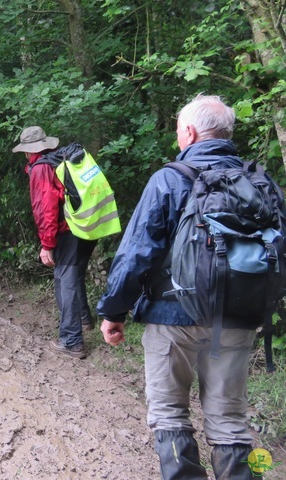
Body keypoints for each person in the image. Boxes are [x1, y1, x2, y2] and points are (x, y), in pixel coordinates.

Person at [97, 95, 271, 479]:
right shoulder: (257, 180)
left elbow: (136, 253)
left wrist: (114, 311)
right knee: (229, 419)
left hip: (172, 316)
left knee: (169, 413)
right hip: (238, 316)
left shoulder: (171, 178)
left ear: (189, 132)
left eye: (178, 130)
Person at [12, 126, 96, 359]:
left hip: (67, 230)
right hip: (87, 224)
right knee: (75, 273)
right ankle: (83, 319)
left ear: (29, 151)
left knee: (64, 280)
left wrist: (47, 245)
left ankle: (72, 341)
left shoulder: (41, 168)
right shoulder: (64, 158)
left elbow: (46, 211)